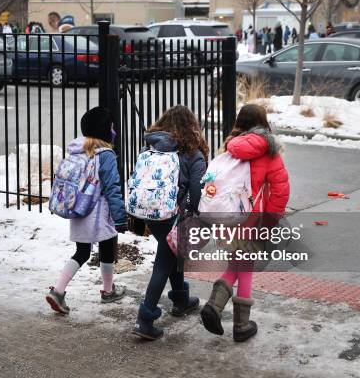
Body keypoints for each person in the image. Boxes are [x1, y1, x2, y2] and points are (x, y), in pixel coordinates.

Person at [200, 103, 290, 342]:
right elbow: (280, 192)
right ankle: (239, 323)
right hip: (251, 221)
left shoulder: (229, 148)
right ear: (263, 124)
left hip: (227, 218)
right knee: (245, 267)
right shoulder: (270, 152)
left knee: (237, 264)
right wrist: (271, 222)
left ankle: (215, 306)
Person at [131, 105, 208, 341]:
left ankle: (181, 300)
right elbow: (197, 188)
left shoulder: (153, 148)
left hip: (150, 213)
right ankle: (145, 318)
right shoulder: (193, 153)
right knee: (164, 261)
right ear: (191, 127)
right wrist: (194, 212)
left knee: (171, 251)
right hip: (175, 214)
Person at [46, 107, 128, 315]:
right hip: (100, 215)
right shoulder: (106, 155)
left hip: (80, 211)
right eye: (111, 127)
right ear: (104, 131)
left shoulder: (78, 150)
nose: (113, 131)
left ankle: (58, 290)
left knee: (82, 252)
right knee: (107, 248)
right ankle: (108, 291)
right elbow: (112, 188)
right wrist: (120, 217)